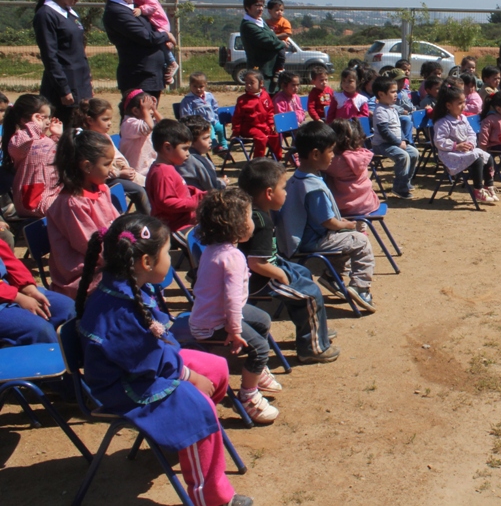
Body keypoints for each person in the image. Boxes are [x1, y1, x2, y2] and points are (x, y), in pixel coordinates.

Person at [75, 216, 254, 506]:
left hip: (145, 370)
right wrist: (188, 377)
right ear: (146, 262)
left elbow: (155, 352)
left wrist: (187, 373)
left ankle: (184, 437)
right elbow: (145, 363)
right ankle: (212, 497)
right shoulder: (120, 310)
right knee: (198, 407)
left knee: (216, 368)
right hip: (125, 388)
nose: (171, 260)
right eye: (168, 252)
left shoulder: (130, 286)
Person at [188, 189, 280, 423]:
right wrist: (235, 330)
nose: (253, 221)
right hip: (213, 323)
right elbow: (231, 298)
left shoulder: (214, 249)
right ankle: (248, 396)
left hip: (211, 314)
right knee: (260, 348)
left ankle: (257, 371)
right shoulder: (233, 258)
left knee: (262, 319)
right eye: (249, 216)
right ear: (237, 224)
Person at [238, 160, 338, 365]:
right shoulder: (260, 222)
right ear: (268, 193)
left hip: (270, 266)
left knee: (304, 273)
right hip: (261, 279)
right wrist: (280, 275)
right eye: (283, 188)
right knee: (310, 295)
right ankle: (312, 349)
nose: (286, 193)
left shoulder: (255, 211)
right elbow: (256, 263)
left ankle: (315, 330)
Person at [278, 121, 377, 313]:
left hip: (302, 236)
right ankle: (361, 287)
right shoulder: (314, 188)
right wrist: (346, 225)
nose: (333, 156)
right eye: (331, 151)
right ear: (316, 154)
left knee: (345, 240)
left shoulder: (298, 177)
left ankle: (332, 277)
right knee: (360, 241)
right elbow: (328, 222)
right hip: (311, 240)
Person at [47, 129, 120, 298]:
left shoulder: (101, 189)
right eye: (107, 164)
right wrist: (122, 257)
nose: (112, 170)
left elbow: (118, 225)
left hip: (106, 259)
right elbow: (92, 247)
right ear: (87, 166)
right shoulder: (71, 204)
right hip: (84, 275)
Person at [102, 0, 176, 100]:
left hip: (151, 76)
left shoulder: (133, 6)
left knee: (150, 113)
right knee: (138, 113)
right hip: (139, 78)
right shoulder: (117, 11)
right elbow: (145, 37)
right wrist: (166, 35)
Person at [33, 0, 93, 125]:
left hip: (80, 84)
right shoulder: (46, 14)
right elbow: (50, 56)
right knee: (65, 132)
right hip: (65, 87)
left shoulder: (71, 14)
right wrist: (63, 89)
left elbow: (77, 50)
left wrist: (87, 80)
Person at [75, 98, 151, 214]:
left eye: (110, 119)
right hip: (104, 179)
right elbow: (99, 168)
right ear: (90, 120)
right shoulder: (88, 141)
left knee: (150, 184)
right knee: (139, 191)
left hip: (118, 174)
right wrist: (120, 173)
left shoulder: (104, 136)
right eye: (105, 119)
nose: (109, 123)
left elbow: (116, 156)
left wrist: (125, 167)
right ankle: (148, 219)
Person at [432, 82, 499, 205]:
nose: (464, 106)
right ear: (448, 105)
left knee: (487, 156)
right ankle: (478, 190)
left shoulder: (463, 118)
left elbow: (471, 133)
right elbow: (439, 141)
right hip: (450, 154)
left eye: (464, 102)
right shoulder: (443, 122)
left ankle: (489, 186)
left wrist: (471, 143)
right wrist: (456, 146)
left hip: (465, 151)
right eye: (460, 103)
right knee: (477, 160)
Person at [0, 240, 75, 348]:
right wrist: (18, 297)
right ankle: (53, 356)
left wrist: (28, 288)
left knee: (66, 308)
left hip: (11, 287)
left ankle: (76, 355)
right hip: (5, 299)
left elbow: (9, 261)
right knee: (39, 329)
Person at [1, 94, 62, 218]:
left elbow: (55, 154)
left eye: (49, 117)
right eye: (43, 117)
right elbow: (18, 147)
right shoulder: (20, 140)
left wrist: (57, 136)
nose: (48, 121)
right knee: (69, 206)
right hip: (33, 200)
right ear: (24, 120)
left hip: (51, 194)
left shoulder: (46, 139)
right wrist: (34, 126)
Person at [145, 120, 205, 234]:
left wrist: (195, 192)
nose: (188, 153)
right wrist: (194, 203)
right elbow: (165, 202)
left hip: (181, 223)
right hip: (176, 227)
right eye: (185, 148)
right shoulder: (163, 172)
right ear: (167, 147)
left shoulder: (167, 168)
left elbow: (175, 190)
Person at [371, 75, 419, 199]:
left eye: (396, 91)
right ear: (381, 94)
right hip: (382, 145)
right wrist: (398, 143)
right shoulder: (380, 110)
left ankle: (405, 182)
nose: (396, 94)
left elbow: (398, 128)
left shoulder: (391, 108)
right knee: (403, 156)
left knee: (414, 153)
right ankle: (399, 187)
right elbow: (384, 132)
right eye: (392, 92)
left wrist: (403, 140)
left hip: (394, 142)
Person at [325, 119, 379, 217]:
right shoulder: (362, 155)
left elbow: (313, 166)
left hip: (345, 208)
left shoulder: (335, 162)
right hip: (367, 204)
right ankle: (362, 225)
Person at [239, 0, 287, 94]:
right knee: (260, 97)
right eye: (257, 5)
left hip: (271, 71)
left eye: (262, 6)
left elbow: (272, 36)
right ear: (247, 7)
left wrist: (276, 39)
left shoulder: (261, 22)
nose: (260, 8)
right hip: (260, 71)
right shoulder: (248, 25)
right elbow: (267, 41)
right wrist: (282, 44)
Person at [233, 71, 283, 160]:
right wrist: (235, 132)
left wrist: (271, 124)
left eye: (251, 83)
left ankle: (277, 159)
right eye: (246, 83)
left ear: (261, 83)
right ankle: (258, 161)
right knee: (261, 138)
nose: (248, 85)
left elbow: (270, 111)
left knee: (276, 134)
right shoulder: (242, 100)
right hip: (249, 128)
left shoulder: (265, 95)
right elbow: (237, 117)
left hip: (264, 125)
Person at [132, 0, 178, 81]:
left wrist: (141, 9)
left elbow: (153, 6)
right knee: (159, 46)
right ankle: (167, 73)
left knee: (162, 43)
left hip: (160, 23)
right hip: (154, 24)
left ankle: (172, 62)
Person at [179, 72, 229, 152]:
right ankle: (214, 146)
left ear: (205, 85)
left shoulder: (209, 96)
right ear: (190, 85)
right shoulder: (188, 100)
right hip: (200, 125)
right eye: (195, 86)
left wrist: (220, 119)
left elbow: (215, 108)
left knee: (221, 128)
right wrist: (193, 123)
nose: (198, 89)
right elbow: (186, 114)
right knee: (210, 130)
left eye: (201, 86)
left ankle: (224, 146)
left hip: (213, 120)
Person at [177, 116, 228, 192]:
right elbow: (213, 189)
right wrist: (222, 183)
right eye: (205, 138)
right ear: (190, 142)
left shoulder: (174, 158)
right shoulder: (200, 162)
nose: (210, 141)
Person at [118, 90, 160, 177]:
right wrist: (145, 110)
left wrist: (154, 110)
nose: (151, 112)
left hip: (149, 169)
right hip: (136, 172)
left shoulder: (146, 120)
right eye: (149, 109)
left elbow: (164, 125)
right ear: (135, 111)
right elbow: (148, 127)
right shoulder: (129, 123)